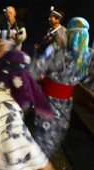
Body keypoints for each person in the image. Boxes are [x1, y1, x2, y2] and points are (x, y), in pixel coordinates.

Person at [31, 17, 94, 162]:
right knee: (55, 133)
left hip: (47, 100)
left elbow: (35, 70)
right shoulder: (88, 56)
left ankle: (38, 164)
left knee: (42, 132)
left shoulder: (56, 50)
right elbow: (90, 83)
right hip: (65, 103)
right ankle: (41, 163)